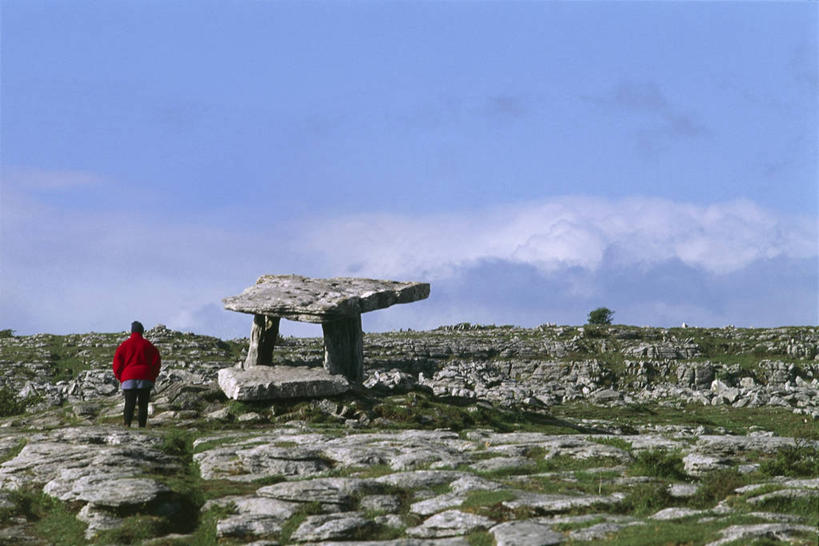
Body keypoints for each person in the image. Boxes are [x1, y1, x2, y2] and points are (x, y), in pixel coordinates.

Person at [113, 321, 161, 427]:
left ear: (132, 331)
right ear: (142, 331)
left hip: (128, 377)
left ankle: (127, 425)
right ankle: (142, 426)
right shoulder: (149, 345)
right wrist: (152, 376)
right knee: (143, 405)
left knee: (129, 404)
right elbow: (156, 362)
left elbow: (117, 362)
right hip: (145, 377)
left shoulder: (124, 345)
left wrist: (121, 377)